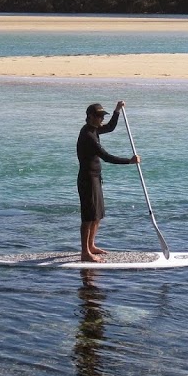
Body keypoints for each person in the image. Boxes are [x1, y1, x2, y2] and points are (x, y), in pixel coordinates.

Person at [76, 100, 139, 262]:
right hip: (87, 179)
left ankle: (91, 246)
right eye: (98, 116)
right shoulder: (88, 135)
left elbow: (110, 127)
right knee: (88, 216)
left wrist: (117, 110)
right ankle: (85, 252)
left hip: (96, 178)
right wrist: (129, 161)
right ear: (90, 117)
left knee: (97, 215)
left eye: (102, 116)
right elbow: (106, 157)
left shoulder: (94, 130)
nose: (101, 119)